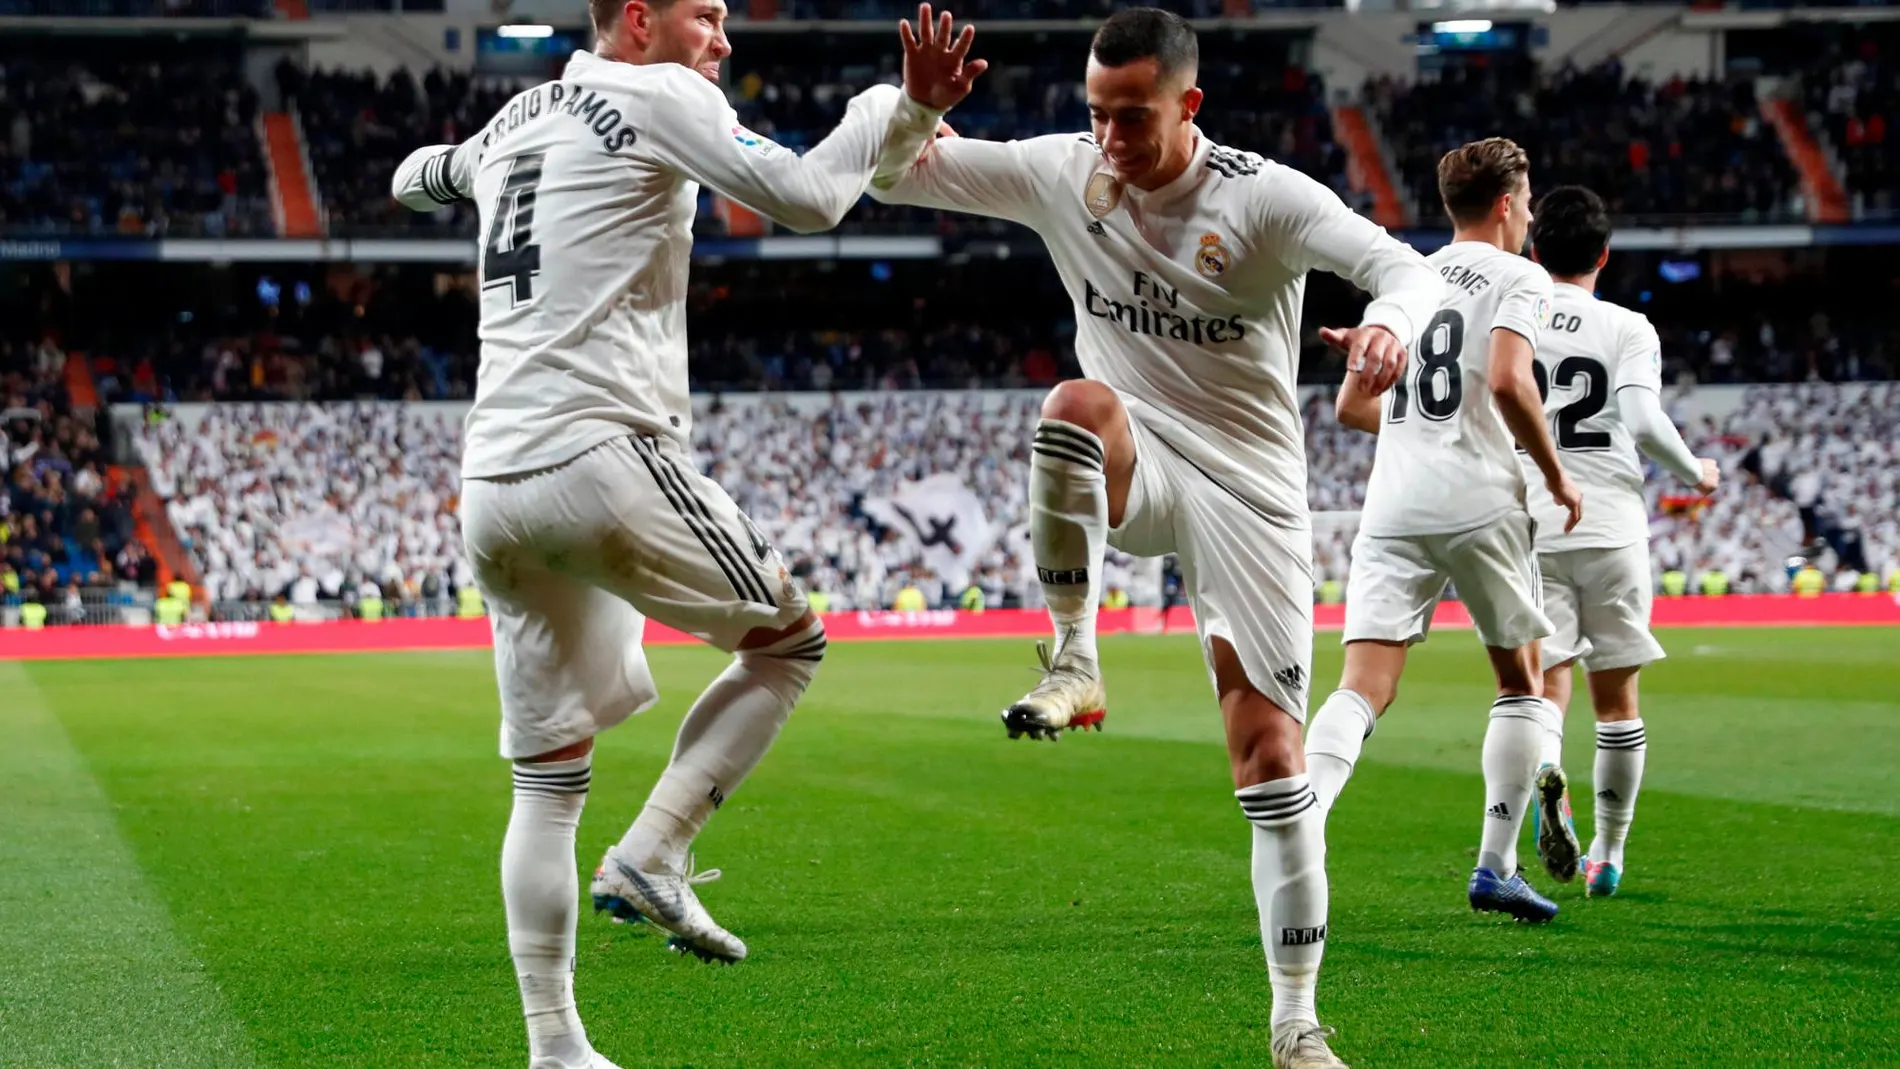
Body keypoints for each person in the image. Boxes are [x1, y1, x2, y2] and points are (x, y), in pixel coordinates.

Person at [389, 4, 982, 1068]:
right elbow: (806, 199)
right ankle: (656, 851)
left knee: (546, 783)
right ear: (634, 22)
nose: (722, 37)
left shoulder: (516, 119)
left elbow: (409, 177)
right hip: (599, 455)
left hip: (490, 482)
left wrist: (451, 166)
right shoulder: (659, 94)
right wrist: (892, 103)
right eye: (702, 14)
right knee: (788, 642)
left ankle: (556, 1046)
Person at [869, 11, 1442, 1066]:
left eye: (1131, 118)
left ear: (1188, 106)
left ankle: (1294, 1022)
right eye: (1095, 115)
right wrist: (917, 107)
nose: (1110, 140)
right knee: (1073, 404)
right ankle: (1075, 658)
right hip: (1137, 457)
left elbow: (1409, 270)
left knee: (1270, 762)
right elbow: (894, 176)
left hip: (1254, 492)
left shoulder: (1262, 197)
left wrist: (1383, 328)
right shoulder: (1063, 171)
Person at [1311, 138, 1581, 927]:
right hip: (1481, 500)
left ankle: (1306, 814)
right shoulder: (1522, 275)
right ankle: (1496, 866)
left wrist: (1419, 431)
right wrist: (1556, 475)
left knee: (1363, 687)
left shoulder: (1409, 278)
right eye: (1526, 200)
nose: (1530, 213)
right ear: (1506, 204)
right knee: (1522, 682)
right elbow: (1506, 378)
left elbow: (1352, 408)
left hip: (1394, 502)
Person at [1515, 186, 1721, 899]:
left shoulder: (1514, 322)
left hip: (1532, 520)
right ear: (1604, 254)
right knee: (1618, 700)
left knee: (1545, 684)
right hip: (1610, 522)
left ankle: (1547, 769)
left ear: (1534, 252)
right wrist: (1696, 471)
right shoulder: (1628, 327)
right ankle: (1608, 851)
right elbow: (1642, 418)